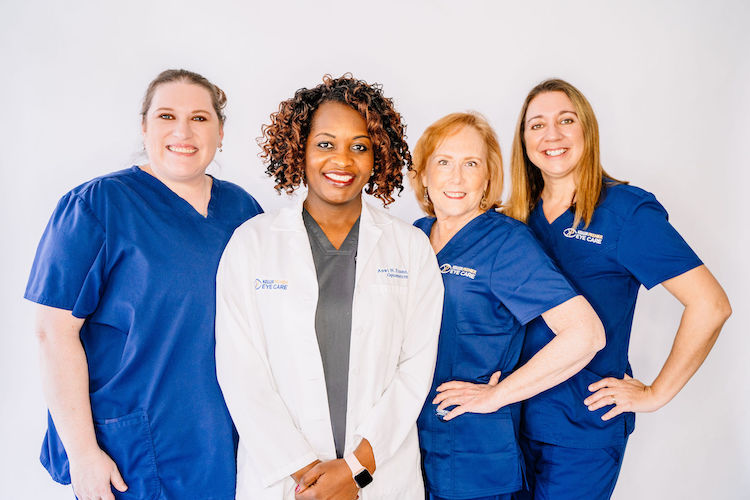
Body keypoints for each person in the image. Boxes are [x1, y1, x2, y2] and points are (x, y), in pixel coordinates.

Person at [25, 69, 263, 500]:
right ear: (144, 127)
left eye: (200, 118)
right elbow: (53, 333)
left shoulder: (244, 211)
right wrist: (82, 454)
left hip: (224, 444)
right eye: (167, 116)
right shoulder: (97, 206)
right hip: (131, 449)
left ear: (221, 131)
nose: (183, 132)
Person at [215, 74, 444, 500]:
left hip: (380, 477)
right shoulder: (253, 243)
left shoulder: (410, 248)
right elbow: (240, 371)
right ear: (298, 149)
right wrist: (310, 475)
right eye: (325, 143)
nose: (342, 160)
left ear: (379, 156)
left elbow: (414, 369)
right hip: (287, 480)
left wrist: (355, 470)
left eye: (360, 146)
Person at [506, 78, 732, 499]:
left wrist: (655, 393)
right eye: (536, 125)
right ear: (523, 141)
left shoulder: (625, 212)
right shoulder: (516, 219)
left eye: (565, 120)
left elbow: (711, 304)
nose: (551, 135)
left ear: (587, 130)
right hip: (508, 423)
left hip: (581, 432)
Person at [409, 112, 606, 500]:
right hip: (409, 450)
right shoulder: (413, 237)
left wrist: (496, 395)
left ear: (488, 178)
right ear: (424, 174)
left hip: (474, 456)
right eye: (443, 162)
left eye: (472, 164)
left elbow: (586, 334)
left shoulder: (507, 244)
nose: (457, 177)